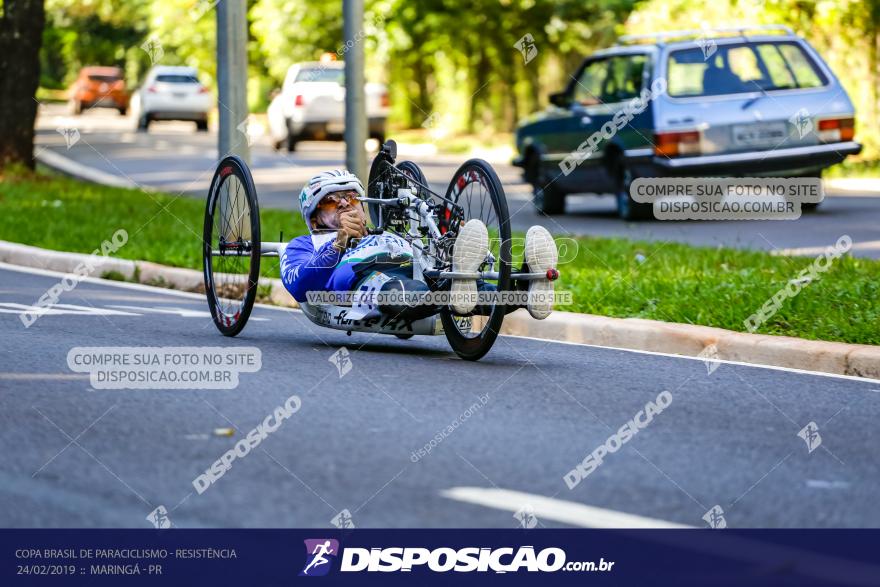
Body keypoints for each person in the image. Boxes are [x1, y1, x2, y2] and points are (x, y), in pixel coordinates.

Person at [280, 169, 557, 321]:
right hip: (366, 278)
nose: (344, 203)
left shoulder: (384, 232)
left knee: (461, 287)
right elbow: (300, 285)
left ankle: (525, 286)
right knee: (408, 291)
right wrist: (340, 242)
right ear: (315, 219)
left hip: (417, 269)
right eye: (332, 200)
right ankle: (458, 289)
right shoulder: (303, 244)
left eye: (351, 198)